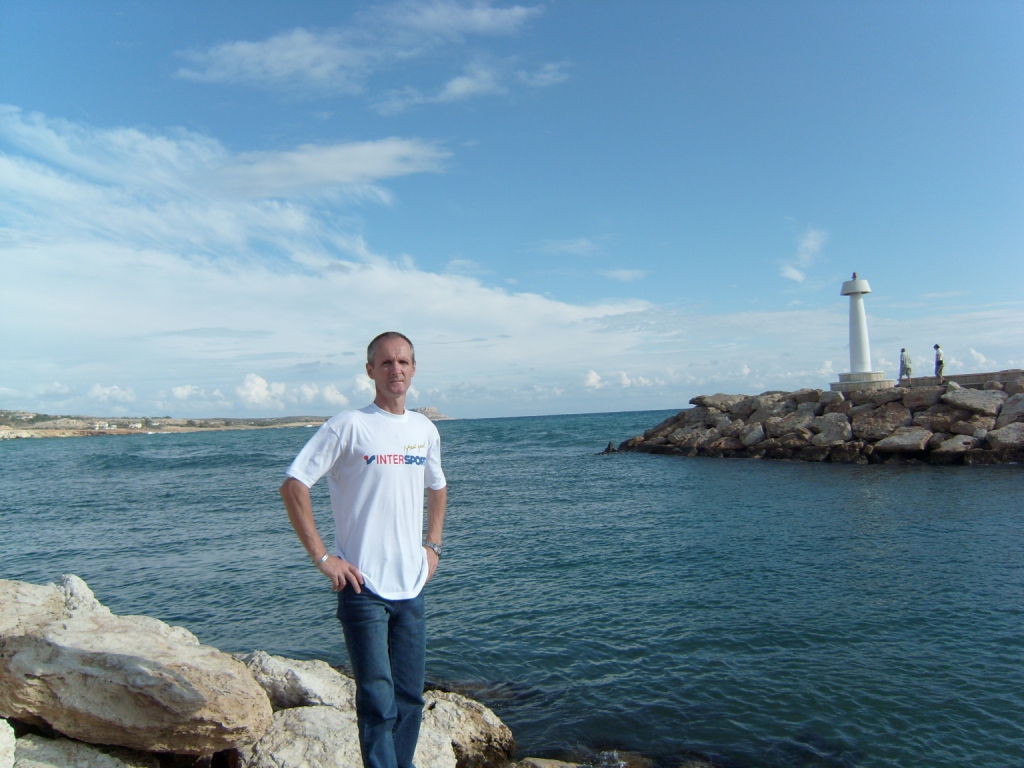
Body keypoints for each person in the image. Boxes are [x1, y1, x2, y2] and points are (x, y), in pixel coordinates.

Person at [279, 331, 447, 768]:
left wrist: (433, 545)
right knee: (376, 701)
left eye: (403, 362)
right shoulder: (349, 425)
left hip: (412, 584)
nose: (396, 370)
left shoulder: (424, 429)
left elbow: (437, 486)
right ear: (370, 370)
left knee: (410, 698)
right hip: (362, 587)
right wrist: (323, 558)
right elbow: (294, 485)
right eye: (386, 362)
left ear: (414, 369)